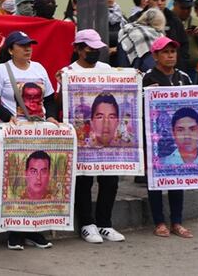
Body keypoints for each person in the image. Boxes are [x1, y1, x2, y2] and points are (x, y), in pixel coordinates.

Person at [0, 31, 57, 250]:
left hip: (38, 131)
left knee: (39, 179)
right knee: (17, 178)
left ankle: (35, 229)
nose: (28, 49)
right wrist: (9, 117)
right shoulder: (1, 71)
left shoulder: (39, 69)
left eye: (30, 45)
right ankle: (15, 231)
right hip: (14, 132)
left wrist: (51, 117)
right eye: (22, 45)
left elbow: (49, 98)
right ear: (10, 50)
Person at [58, 30, 127, 244]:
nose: (95, 52)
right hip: (82, 138)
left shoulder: (107, 69)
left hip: (107, 141)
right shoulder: (68, 72)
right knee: (84, 180)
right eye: (90, 49)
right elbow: (60, 104)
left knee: (110, 180)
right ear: (78, 49)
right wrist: (61, 86)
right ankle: (87, 224)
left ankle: (105, 223)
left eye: (97, 49)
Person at [141, 36, 194, 238]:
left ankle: (177, 222)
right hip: (155, 140)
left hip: (177, 141)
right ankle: (159, 222)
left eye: (173, 52)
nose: (170, 56)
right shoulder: (146, 78)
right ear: (155, 56)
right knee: (155, 181)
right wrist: (147, 94)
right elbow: (138, 106)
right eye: (165, 52)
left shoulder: (184, 77)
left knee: (177, 180)